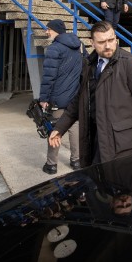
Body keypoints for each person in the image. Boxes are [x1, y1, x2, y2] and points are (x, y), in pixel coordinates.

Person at [49, 21, 132, 167]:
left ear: (116, 39)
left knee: (122, 185)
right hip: (95, 140)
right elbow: (79, 100)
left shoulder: (131, 63)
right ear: (92, 43)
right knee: (98, 183)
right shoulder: (89, 65)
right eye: (101, 42)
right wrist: (60, 128)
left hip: (124, 145)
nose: (108, 45)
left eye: (111, 40)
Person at [39, 19, 83, 174]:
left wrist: (44, 98)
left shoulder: (54, 49)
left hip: (58, 98)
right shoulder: (78, 46)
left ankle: (51, 164)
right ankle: (76, 161)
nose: (46, 32)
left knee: (55, 129)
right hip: (74, 96)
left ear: (55, 30)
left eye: (48, 29)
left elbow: (48, 77)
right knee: (74, 128)